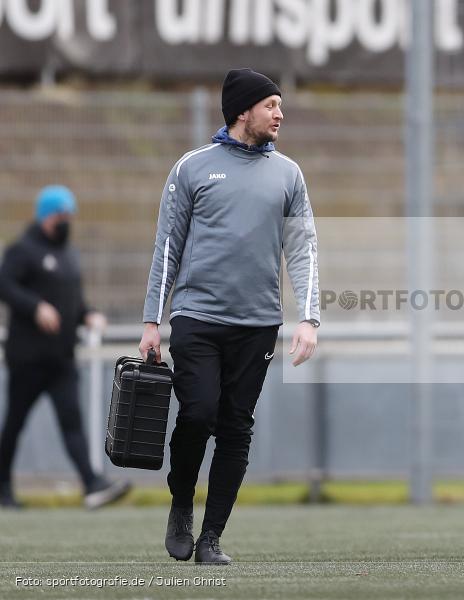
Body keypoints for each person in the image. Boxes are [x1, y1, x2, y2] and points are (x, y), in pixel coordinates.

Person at [139, 68, 320, 565]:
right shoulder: (192, 168)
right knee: (198, 413)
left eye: (280, 106)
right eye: (271, 105)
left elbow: (303, 249)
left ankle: (212, 537)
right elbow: (167, 248)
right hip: (196, 318)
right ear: (243, 111)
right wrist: (153, 322)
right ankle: (181, 504)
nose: (280, 114)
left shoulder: (290, 174)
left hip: (258, 324)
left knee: (236, 427)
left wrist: (308, 319)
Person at [0, 185, 131, 510]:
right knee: (14, 424)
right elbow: (5, 285)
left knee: (71, 422)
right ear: (46, 215)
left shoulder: (68, 255)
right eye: (61, 215)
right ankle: (2, 488)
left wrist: (88, 314)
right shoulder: (23, 251)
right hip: (28, 358)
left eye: (69, 215)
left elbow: (74, 302)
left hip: (61, 358)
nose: (66, 221)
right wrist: (35, 307)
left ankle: (91, 484)